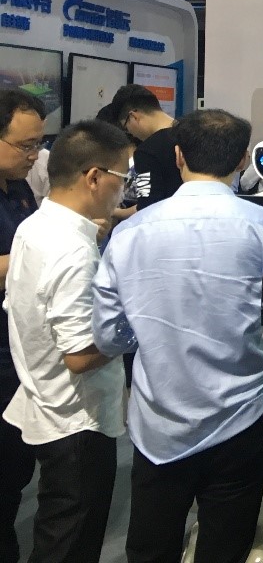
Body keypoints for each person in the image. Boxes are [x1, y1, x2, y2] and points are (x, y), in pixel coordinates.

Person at [92, 109, 263, 563]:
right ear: (243, 159)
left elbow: (108, 335)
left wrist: (146, 337)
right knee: (226, 544)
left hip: (158, 421)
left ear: (178, 156)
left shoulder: (130, 232)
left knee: (150, 544)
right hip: (243, 414)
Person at [5, 120, 133, 563]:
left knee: (57, 530)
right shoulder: (72, 250)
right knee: (69, 541)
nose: (124, 190)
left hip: (44, 395)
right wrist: (138, 322)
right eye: (122, 177)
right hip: (77, 417)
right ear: (94, 177)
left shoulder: (35, 224)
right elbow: (79, 355)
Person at [0, 89, 46, 563]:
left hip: (16, 351)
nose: (34, 156)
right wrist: (42, 253)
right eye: (25, 146)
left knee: (13, 469)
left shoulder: (18, 188)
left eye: (39, 144)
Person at [112, 83, 180, 210]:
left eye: (126, 127)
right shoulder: (195, 133)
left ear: (133, 116)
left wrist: (115, 212)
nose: (131, 133)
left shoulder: (145, 152)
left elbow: (146, 206)